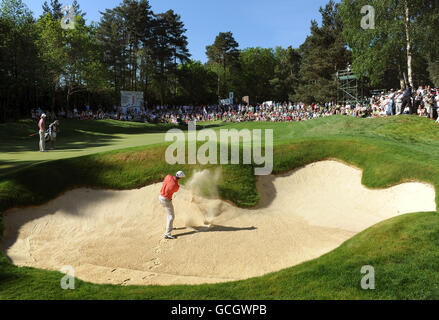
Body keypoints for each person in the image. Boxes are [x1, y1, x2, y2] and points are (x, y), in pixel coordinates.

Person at [159, 171, 186, 239]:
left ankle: (170, 227)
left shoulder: (168, 176)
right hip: (166, 200)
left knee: (169, 215)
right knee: (171, 216)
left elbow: (166, 180)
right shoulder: (176, 186)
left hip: (160, 197)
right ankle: (167, 234)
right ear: (180, 178)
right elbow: (174, 189)